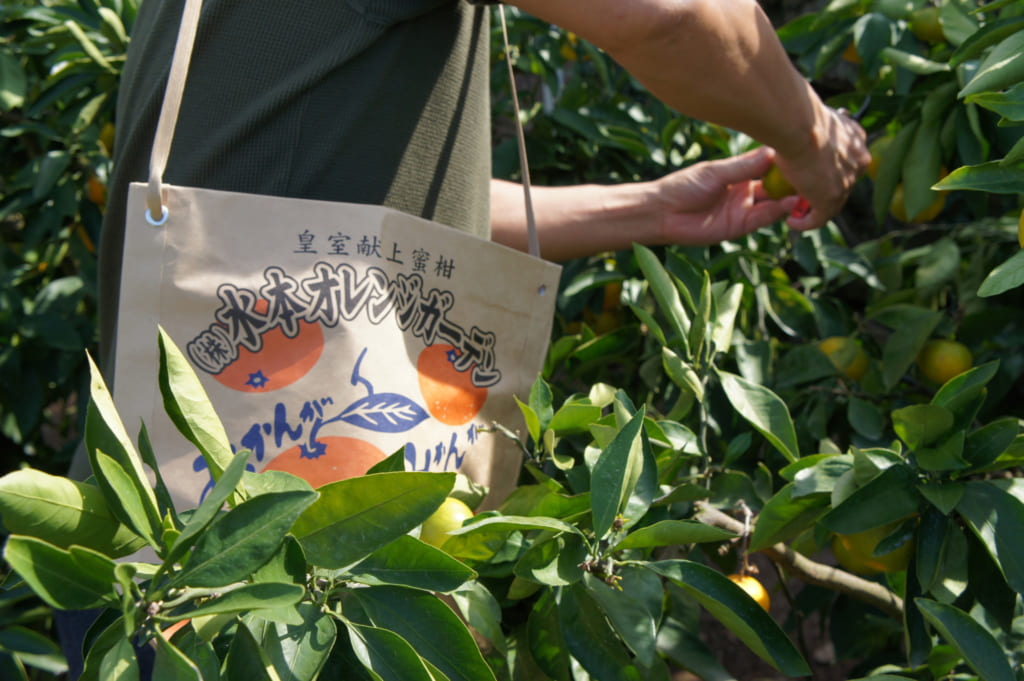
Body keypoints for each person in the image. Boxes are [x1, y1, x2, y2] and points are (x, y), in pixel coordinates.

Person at [64, 1, 867, 679]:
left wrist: (649, 208)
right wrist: (811, 136)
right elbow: (671, 16)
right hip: (285, 603)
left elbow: (357, 214)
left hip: (148, 550)